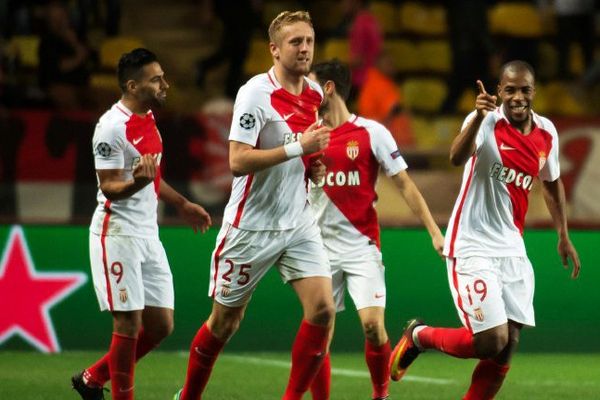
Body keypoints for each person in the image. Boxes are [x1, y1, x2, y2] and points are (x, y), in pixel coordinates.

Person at [389, 60, 581, 400]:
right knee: (491, 340)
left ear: (533, 92)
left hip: (512, 249)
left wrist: (562, 234)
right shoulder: (486, 121)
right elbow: (455, 157)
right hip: (472, 244)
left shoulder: (547, 132)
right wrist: (477, 116)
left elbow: (551, 185)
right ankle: (419, 336)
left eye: (524, 90)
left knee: (509, 346)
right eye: (510, 90)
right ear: (499, 92)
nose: (518, 97)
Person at [173, 11, 334, 400]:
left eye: (309, 41)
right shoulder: (254, 94)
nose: (304, 49)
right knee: (224, 323)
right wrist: (300, 147)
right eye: (295, 42)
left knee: (324, 311)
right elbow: (237, 160)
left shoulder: (314, 93)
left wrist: (314, 166)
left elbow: (306, 148)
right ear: (274, 50)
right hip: (252, 226)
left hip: (298, 222)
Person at [71, 48, 212, 400]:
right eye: (156, 79)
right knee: (128, 323)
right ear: (133, 86)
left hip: (148, 233)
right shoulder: (110, 128)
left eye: (163, 76)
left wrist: (182, 203)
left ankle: (93, 378)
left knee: (161, 325)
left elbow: (152, 177)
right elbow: (109, 187)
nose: (165, 84)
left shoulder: (148, 120)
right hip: (116, 232)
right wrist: (136, 182)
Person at [307, 60, 444, 400]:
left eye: (311, 86)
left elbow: (406, 185)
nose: (304, 92)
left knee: (373, 327)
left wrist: (434, 231)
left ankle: (380, 395)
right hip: (318, 248)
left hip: (361, 246)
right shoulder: (306, 137)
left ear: (328, 88)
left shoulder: (372, 133)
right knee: (320, 335)